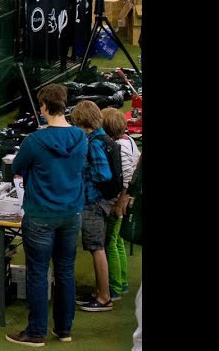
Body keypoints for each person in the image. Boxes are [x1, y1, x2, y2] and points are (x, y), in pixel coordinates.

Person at [5, 83, 87, 347]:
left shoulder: (34, 141)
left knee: (39, 273)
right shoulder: (81, 137)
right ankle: (64, 329)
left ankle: (36, 332)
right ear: (64, 104)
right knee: (65, 271)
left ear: (43, 107)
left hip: (40, 214)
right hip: (71, 213)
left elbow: (16, 168)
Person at [70, 102, 116, 313]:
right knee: (97, 247)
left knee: (96, 248)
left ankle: (104, 297)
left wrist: (85, 168)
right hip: (99, 201)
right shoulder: (102, 139)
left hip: (94, 202)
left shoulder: (95, 144)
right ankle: (99, 292)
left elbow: (103, 175)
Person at [101, 106, 139, 303]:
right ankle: (121, 282)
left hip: (117, 201)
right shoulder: (129, 140)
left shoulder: (119, 146)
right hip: (122, 200)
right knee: (117, 242)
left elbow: (126, 177)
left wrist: (120, 201)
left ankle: (114, 287)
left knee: (110, 244)